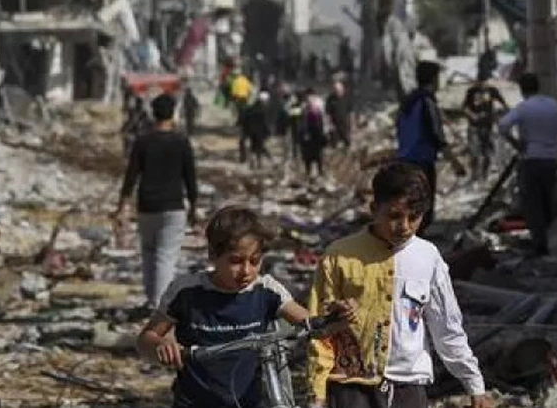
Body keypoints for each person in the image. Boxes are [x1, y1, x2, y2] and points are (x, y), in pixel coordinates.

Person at [307, 163, 492, 408]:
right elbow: (319, 330)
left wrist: (474, 384)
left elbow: (446, 327)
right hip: (352, 388)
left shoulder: (428, 257)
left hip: (408, 388)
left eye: (414, 217)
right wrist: (317, 393)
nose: (404, 226)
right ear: (374, 209)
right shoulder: (339, 256)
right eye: (394, 216)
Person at [136, 206, 334, 408]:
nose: (246, 271)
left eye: (255, 261)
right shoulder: (186, 292)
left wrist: (333, 319)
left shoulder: (266, 290)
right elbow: (145, 339)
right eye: (236, 261)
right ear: (213, 254)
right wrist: (160, 345)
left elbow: (311, 323)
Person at [115, 95, 200, 310]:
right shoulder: (181, 142)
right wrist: (193, 207)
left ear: (153, 114)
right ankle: (158, 304)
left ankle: (151, 298)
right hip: (173, 206)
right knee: (165, 255)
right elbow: (190, 177)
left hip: (147, 206)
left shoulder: (143, 141)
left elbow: (131, 175)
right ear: (173, 113)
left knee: (149, 253)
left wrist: (122, 206)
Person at [498, 73, 557, 256]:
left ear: (522, 89)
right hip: (551, 159)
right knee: (549, 201)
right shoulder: (553, 105)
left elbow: (503, 126)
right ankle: (553, 239)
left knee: (533, 204)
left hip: (531, 158)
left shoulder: (524, 108)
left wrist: (516, 143)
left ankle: (539, 243)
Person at [394, 61, 450, 235]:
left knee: (411, 205)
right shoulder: (427, 102)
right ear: (434, 79)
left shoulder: (407, 102)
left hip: (404, 160)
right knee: (423, 209)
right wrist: (454, 162)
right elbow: (437, 134)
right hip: (422, 162)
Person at [462, 78, 509, 178]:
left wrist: (500, 114)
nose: (482, 84)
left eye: (484, 81)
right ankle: (474, 175)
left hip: (488, 126)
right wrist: (472, 115)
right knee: (474, 152)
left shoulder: (492, 90)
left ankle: (484, 175)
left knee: (487, 152)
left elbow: (504, 104)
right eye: (480, 82)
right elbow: (464, 107)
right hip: (474, 126)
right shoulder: (471, 91)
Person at [299, 88, 330, 176]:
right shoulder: (304, 108)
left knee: (319, 154)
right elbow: (302, 122)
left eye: (311, 97)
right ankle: (308, 171)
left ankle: (320, 171)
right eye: (307, 97)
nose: (309, 99)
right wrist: (304, 133)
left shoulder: (319, 108)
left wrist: (325, 131)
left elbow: (324, 120)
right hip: (308, 134)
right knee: (307, 155)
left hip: (317, 133)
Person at [328, 78, 353, 150]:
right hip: (335, 125)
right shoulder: (330, 98)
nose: (337, 91)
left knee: (347, 142)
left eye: (339, 89)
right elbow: (328, 113)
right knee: (334, 144)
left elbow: (351, 112)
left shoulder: (347, 97)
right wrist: (330, 124)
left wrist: (352, 124)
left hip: (345, 124)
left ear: (342, 89)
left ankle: (347, 153)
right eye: (335, 89)